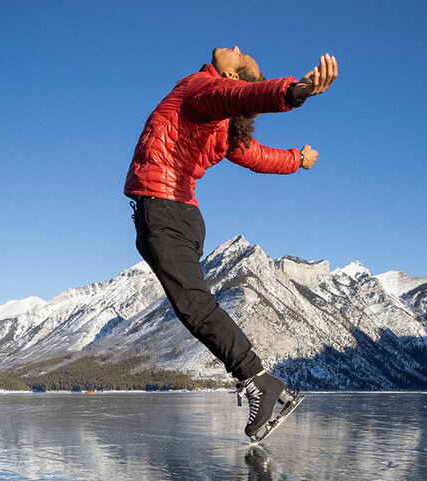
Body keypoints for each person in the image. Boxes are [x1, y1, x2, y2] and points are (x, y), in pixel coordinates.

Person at [124, 46, 338, 439]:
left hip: (166, 209)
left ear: (232, 77)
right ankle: (266, 383)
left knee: (195, 306)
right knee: (195, 305)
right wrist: (297, 159)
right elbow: (259, 155)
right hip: (176, 214)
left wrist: (296, 91)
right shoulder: (220, 125)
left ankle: (258, 381)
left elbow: (242, 97)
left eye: (239, 58)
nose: (235, 49)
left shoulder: (204, 89)